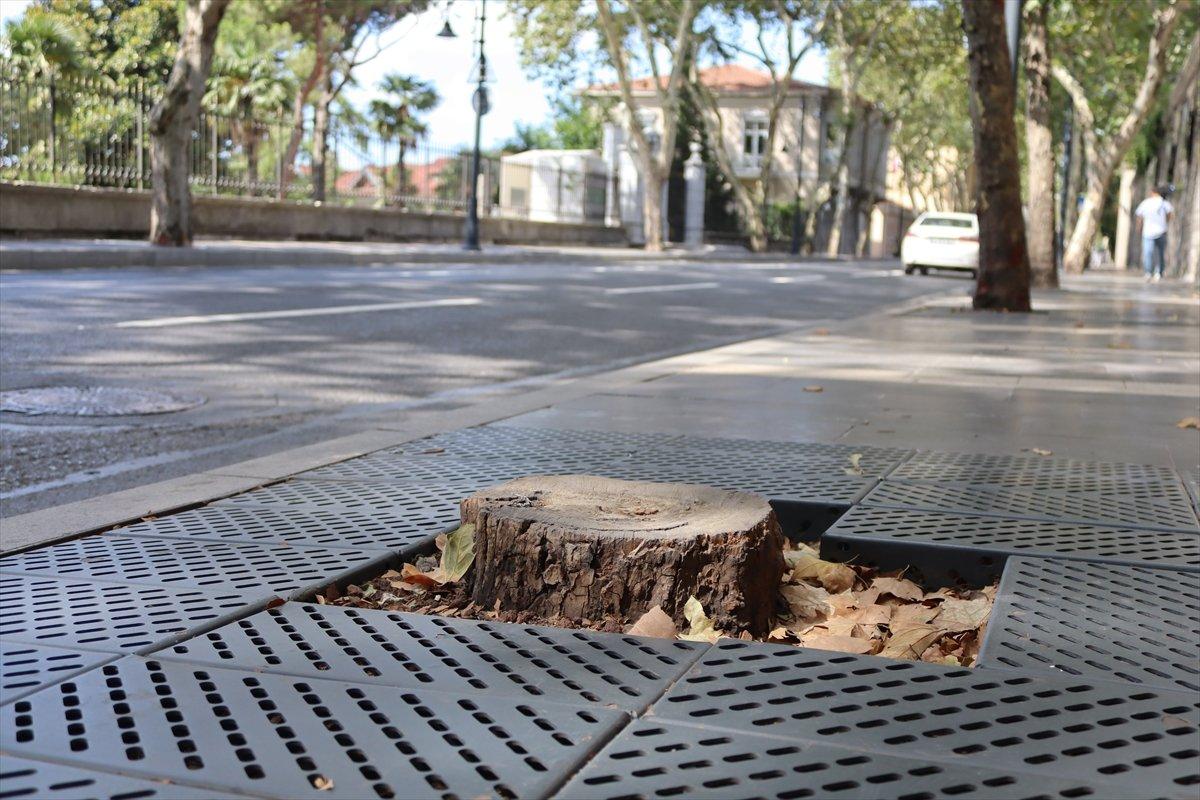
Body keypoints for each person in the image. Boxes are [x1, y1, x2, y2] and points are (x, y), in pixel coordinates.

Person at [1134, 185, 1173, 282]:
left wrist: (1139, 227)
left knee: (1148, 253)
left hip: (1148, 232)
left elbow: (1139, 215)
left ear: (1154, 193)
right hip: (1161, 231)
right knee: (1159, 253)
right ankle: (1158, 272)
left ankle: (1148, 272)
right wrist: (1164, 223)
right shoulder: (1165, 204)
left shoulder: (1146, 202)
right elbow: (1170, 215)